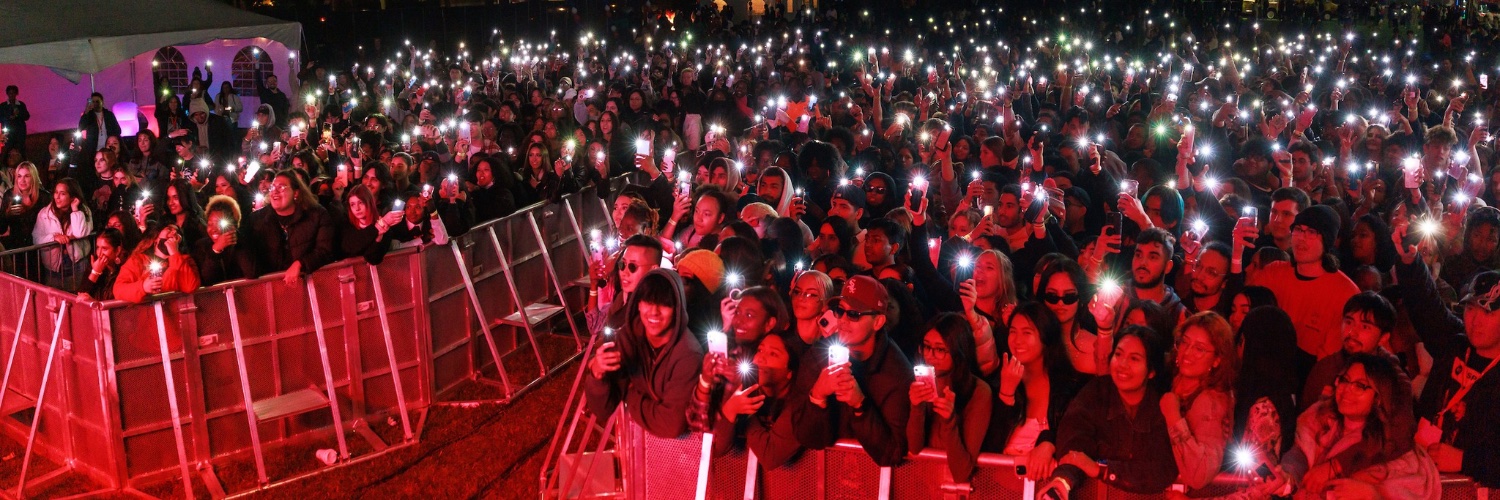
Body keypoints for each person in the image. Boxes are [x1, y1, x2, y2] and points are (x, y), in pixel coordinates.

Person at [788, 275, 913, 466]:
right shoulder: (819, 355)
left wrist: (860, 405)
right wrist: (817, 397)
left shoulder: (897, 373)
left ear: (878, 322)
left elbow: (892, 453)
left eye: (854, 314)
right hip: (825, 474)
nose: (843, 320)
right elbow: (807, 438)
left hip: (873, 478)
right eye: (839, 311)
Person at [1279, 354, 1439, 499]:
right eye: (1344, 380)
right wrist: (1287, 477)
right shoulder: (1319, 416)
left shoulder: (1391, 447)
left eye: (1360, 386)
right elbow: (1299, 452)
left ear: (1378, 397)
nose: (1347, 390)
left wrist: (1374, 495)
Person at [1042, 325, 1178, 495]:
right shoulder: (1096, 393)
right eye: (1118, 354)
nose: (1122, 364)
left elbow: (1162, 469)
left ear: (1151, 371)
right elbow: (1075, 441)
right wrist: (1063, 480)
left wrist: (1102, 470)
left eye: (1134, 359)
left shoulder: (1160, 406)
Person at [583, 269, 703, 438]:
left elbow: (671, 425)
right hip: (637, 441)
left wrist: (630, 395)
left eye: (664, 304)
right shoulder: (630, 335)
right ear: (638, 304)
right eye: (648, 302)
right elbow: (602, 410)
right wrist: (597, 374)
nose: (654, 312)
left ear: (677, 309)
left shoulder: (688, 354)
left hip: (680, 448)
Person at [986, 302, 1088, 483]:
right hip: (1000, 489)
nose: (1017, 340)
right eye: (1013, 331)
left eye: (1027, 333)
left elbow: (1079, 439)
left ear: (1046, 337)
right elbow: (988, 449)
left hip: (1049, 489)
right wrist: (1006, 395)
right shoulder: (997, 382)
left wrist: (1048, 442)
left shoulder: (1069, 387)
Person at [1247, 205, 1359, 360]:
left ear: (1326, 241)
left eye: (1311, 232)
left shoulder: (1345, 293)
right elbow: (1246, 315)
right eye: (1298, 229)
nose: (1301, 238)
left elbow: (1330, 360)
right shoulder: (1273, 272)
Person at [907, 313, 992, 483]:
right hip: (924, 482)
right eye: (926, 346)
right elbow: (914, 448)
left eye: (940, 350)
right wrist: (916, 407)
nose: (930, 355)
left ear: (958, 351)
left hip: (960, 487)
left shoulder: (979, 391)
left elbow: (962, 472)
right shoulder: (921, 381)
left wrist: (949, 422)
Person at [1164, 312, 1238, 492]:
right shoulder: (1173, 378)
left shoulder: (1211, 402)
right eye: (1185, 342)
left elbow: (1199, 476)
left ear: (1217, 360)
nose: (1187, 352)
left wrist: (1173, 416)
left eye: (1199, 349)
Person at [249, 171, 335, 284]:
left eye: (281, 187)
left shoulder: (317, 215)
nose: (275, 191)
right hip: (272, 286)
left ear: (296, 193)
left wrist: (300, 263)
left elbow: (325, 250)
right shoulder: (257, 219)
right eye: (273, 187)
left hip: (309, 283)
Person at [113, 224, 200, 303]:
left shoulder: (185, 261)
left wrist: (174, 254)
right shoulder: (138, 260)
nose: (174, 232)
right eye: (169, 229)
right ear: (155, 238)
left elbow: (190, 287)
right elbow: (118, 290)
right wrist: (143, 287)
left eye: (177, 233)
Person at [32, 178, 92, 290]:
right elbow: (36, 239)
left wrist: (75, 210)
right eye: (56, 192)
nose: (57, 197)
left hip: (77, 263)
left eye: (62, 193)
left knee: (77, 295)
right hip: (53, 266)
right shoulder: (44, 214)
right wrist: (53, 237)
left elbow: (79, 233)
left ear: (72, 197)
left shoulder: (84, 211)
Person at [194, 195, 259, 286]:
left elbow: (251, 273)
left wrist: (235, 240)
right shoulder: (201, 246)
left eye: (219, 223)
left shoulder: (244, 241)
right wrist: (215, 250)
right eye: (210, 224)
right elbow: (207, 280)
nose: (214, 229)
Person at [78, 228, 126, 301]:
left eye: (104, 249)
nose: (99, 253)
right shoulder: (95, 266)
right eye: (98, 248)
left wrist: (94, 302)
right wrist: (94, 273)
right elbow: (80, 295)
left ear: (117, 250)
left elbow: (115, 301)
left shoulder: (125, 269)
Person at [0, 85, 30, 159]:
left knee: (21, 151)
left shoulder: (21, 104)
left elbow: (27, 116)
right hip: (8, 134)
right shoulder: (3, 106)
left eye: (13, 93)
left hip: (20, 133)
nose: (11, 95)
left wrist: (18, 114)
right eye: (10, 93)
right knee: (8, 152)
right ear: (7, 94)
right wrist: (8, 117)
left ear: (16, 94)